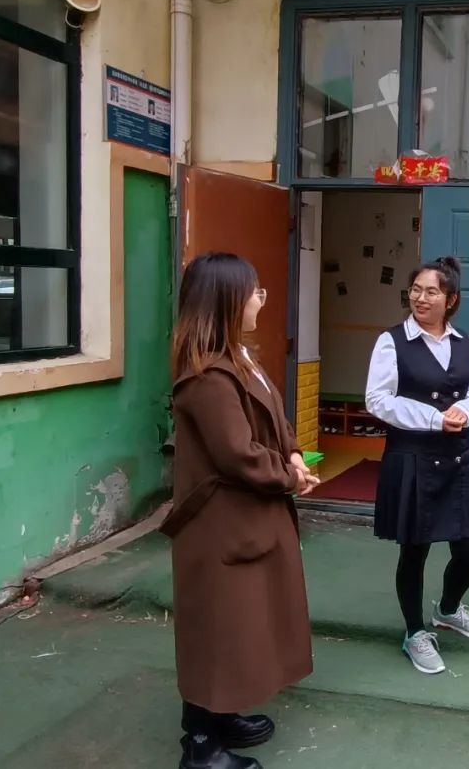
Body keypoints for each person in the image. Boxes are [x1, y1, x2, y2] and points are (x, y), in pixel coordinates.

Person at [162, 252, 320, 769]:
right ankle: (200, 746)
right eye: (255, 292)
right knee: (217, 629)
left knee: (236, 627)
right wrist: (290, 476)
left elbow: (272, 420)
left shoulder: (238, 359)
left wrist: (292, 452)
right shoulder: (207, 376)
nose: (260, 301)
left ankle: (220, 715)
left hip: (244, 519)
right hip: (220, 525)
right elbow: (237, 454)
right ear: (227, 300)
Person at [366, 256, 469, 675]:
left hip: (458, 456)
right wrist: (435, 418)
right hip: (414, 457)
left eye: (431, 291)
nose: (420, 298)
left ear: (450, 300)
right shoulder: (391, 342)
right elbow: (378, 400)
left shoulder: (463, 342)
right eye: (416, 290)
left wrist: (465, 411)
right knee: (415, 550)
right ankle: (414, 632)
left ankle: (449, 609)